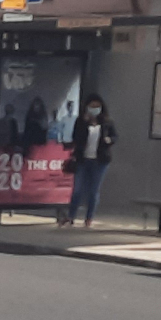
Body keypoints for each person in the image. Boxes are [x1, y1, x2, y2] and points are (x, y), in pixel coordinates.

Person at [61, 95, 116, 227]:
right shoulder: (81, 121)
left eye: (97, 106)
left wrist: (109, 140)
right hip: (83, 159)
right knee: (77, 189)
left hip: (100, 160)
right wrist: (85, 123)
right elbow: (76, 138)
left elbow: (115, 136)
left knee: (93, 190)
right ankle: (71, 216)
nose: (94, 109)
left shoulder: (107, 121)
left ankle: (89, 218)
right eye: (92, 106)